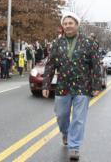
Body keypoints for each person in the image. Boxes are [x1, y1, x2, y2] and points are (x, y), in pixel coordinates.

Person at [42, 11, 102, 161]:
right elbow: (50, 65)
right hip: (63, 86)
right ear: (62, 26)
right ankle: (65, 133)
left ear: (77, 25)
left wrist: (96, 85)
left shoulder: (89, 43)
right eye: (65, 23)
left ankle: (74, 147)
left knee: (79, 118)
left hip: (83, 86)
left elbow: (95, 66)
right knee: (61, 115)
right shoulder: (57, 43)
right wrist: (46, 85)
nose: (68, 26)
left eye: (71, 23)